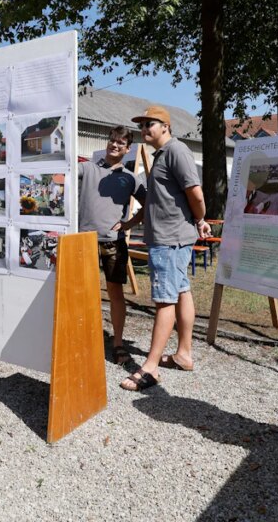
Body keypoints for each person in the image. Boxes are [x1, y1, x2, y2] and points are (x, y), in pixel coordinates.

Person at [119, 106, 211, 391]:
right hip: (167, 237)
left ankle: (151, 367)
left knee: (164, 300)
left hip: (170, 239)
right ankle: (184, 354)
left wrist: (200, 219)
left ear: (166, 126)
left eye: (151, 123)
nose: (145, 127)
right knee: (181, 291)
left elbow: (195, 191)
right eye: (142, 124)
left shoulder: (175, 151)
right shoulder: (160, 155)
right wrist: (131, 222)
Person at [77, 125, 145, 365]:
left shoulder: (130, 178)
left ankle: (117, 343)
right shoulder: (86, 168)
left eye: (120, 143)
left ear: (127, 149)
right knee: (82, 293)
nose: (114, 145)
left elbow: (149, 206)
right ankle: (83, 337)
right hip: (83, 241)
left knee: (115, 293)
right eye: (112, 141)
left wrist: (128, 225)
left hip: (114, 244)